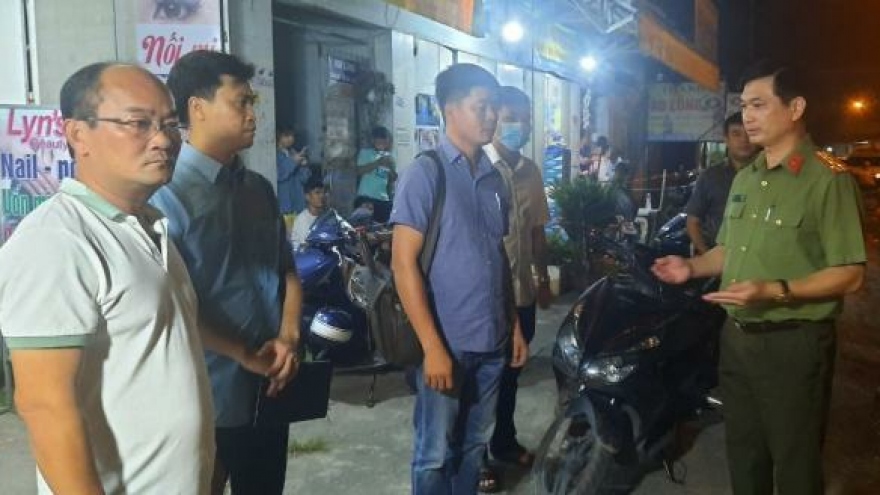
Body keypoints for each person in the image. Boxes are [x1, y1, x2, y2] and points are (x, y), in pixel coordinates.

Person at [0, 62, 220, 493]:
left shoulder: (149, 227)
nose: (163, 140)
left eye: (170, 124)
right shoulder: (57, 241)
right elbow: (44, 406)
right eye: (139, 123)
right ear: (77, 134)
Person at [651, 60, 866, 495]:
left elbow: (850, 274)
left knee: (795, 459)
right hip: (737, 338)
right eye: (744, 105)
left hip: (793, 343)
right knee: (744, 452)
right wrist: (691, 267)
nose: (747, 116)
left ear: (795, 108)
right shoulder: (747, 178)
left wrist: (776, 290)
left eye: (759, 105)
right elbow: (729, 250)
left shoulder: (827, 180)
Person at [150, 50, 302, 495]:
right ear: (197, 108)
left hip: (271, 384)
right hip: (203, 394)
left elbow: (285, 269)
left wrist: (289, 335)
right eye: (242, 102)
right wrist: (242, 353)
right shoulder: (165, 198)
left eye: (253, 102)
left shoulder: (258, 189)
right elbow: (170, 305)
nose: (253, 114)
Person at [390, 63, 528, 494]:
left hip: (492, 341)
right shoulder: (426, 173)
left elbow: (498, 257)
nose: (492, 116)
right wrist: (432, 348)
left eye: (494, 107)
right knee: (434, 453)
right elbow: (403, 264)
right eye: (481, 106)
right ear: (450, 108)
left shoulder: (493, 179)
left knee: (474, 446)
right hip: (446, 343)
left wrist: (513, 325)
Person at [478, 86, 552, 492]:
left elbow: (537, 232)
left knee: (510, 377)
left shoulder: (531, 172)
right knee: (482, 381)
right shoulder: (476, 169)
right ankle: (476, 458)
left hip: (522, 294)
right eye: (510, 118)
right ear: (492, 119)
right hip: (486, 299)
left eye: (524, 119)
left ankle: (503, 442)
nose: (517, 126)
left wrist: (543, 279)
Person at [685, 112, 758, 254]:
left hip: (756, 259)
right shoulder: (710, 177)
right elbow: (692, 222)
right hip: (718, 256)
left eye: (749, 134)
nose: (744, 140)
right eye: (736, 134)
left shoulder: (771, 175)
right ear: (726, 139)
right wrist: (707, 256)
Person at [355, 125, 397, 222]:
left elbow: (392, 180)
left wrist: (391, 168)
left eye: (384, 142)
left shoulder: (390, 157)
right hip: (367, 198)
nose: (381, 144)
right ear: (373, 140)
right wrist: (378, 163)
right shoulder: (365, 153)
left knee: (382, 227)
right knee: (365, 226)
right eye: (379, 141)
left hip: (383, 199)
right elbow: (359, 171)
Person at [276, 127, 310, 232]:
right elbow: (280, 175)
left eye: (292, 136)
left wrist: (304, 165)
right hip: (284, 206)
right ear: (278, 137)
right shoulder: (274, 155)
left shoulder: (293, 153)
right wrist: (294, 161)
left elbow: (304, 179)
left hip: (298, 205)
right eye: (286, 136)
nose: (290, 139)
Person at [290, 178, 329, 249]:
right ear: (307, 196)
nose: (322, 196)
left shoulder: (328, 217)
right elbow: (305, 246)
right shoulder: (301, 220)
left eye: (324, 192)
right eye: (317, 193)